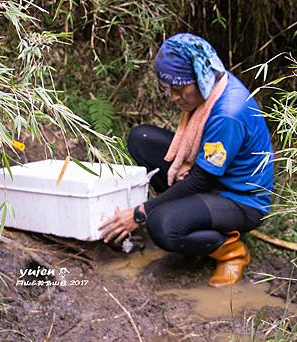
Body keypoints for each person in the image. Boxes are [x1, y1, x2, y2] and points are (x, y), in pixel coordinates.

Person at [99, 33, 274, 287]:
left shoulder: (228, 114)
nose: (173, 97)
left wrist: (141, 213)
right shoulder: (214, 82)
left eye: (180, 90)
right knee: (142, 138)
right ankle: (187, 215)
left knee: (161, 225)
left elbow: (202, 180)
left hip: (239, 199)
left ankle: (231, 251)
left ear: (201, 80)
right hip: (213, 176)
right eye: (168, 89)